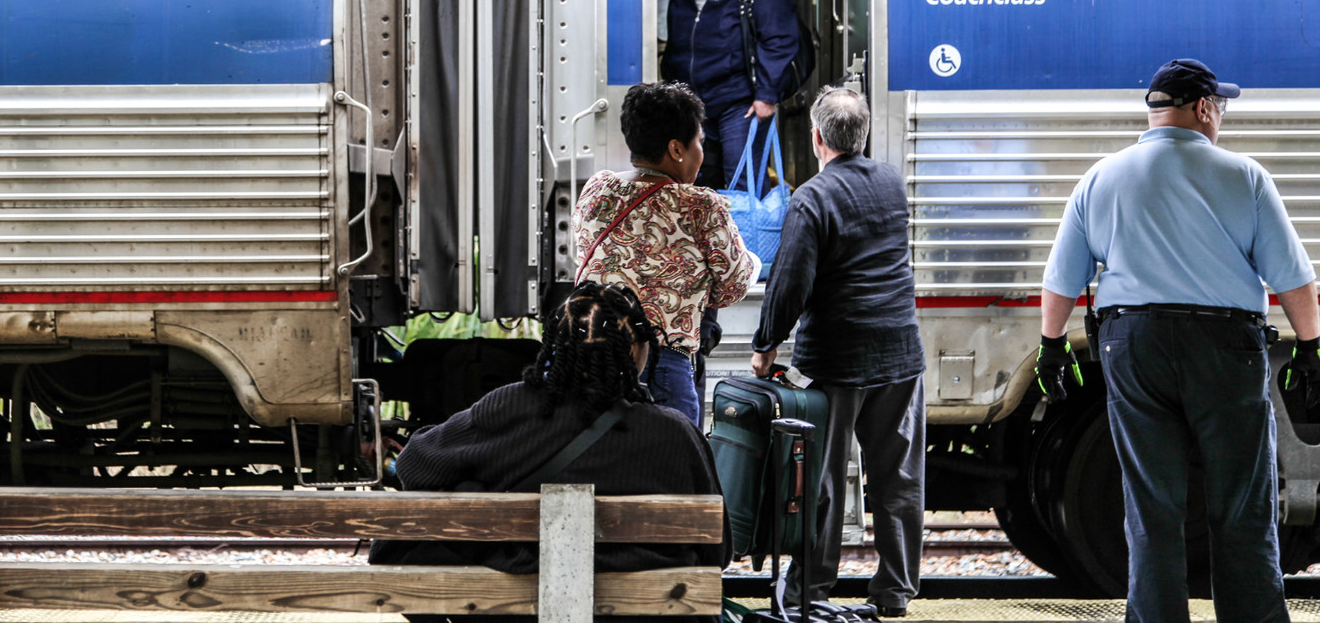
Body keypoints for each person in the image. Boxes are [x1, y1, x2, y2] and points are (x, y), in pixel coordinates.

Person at [1039, 58, 1320, 623]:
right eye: (1220, 107)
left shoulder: (1101, 176)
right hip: (1225, 348)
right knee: (1242, 499)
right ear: (1202, 108)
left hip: (1134, 346)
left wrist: (1051, 346)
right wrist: (1311, 347)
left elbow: (1060, 280)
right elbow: (1293, 277)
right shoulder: (1244, 175)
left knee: (1151, 505)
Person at [371, 281, 731, 623]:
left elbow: (415, 465)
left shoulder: (510, 406)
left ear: (556, 345)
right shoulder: (674, 431)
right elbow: (720, 551)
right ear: (634, 349)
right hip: (648, 614)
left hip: (523, 612)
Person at [749, 86, 925, 618]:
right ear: (863, 134)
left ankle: (810, 592)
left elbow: (790, 281)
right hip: (899, 353)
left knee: (821, 480)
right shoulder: (892, 182)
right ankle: (895, 592)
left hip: (839, 357)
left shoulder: (812, 197)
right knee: (898, 477)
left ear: (817, 137)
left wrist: (765, 348)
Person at [573, 81, 757, 426]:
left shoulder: (599, 189)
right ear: (676, 149)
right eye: (699, 141)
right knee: (668, 470)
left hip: (588, 357)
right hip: (662, 368)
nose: (702, 151)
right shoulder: (698, 205)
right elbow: (733, 286)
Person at [661, 0, 801, 189]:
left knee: (741, 185)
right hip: (693, 107)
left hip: (740, 104)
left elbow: (781, 40)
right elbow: (677, 41)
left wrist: (766, 96)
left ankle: (744, 237)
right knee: (698, 186)